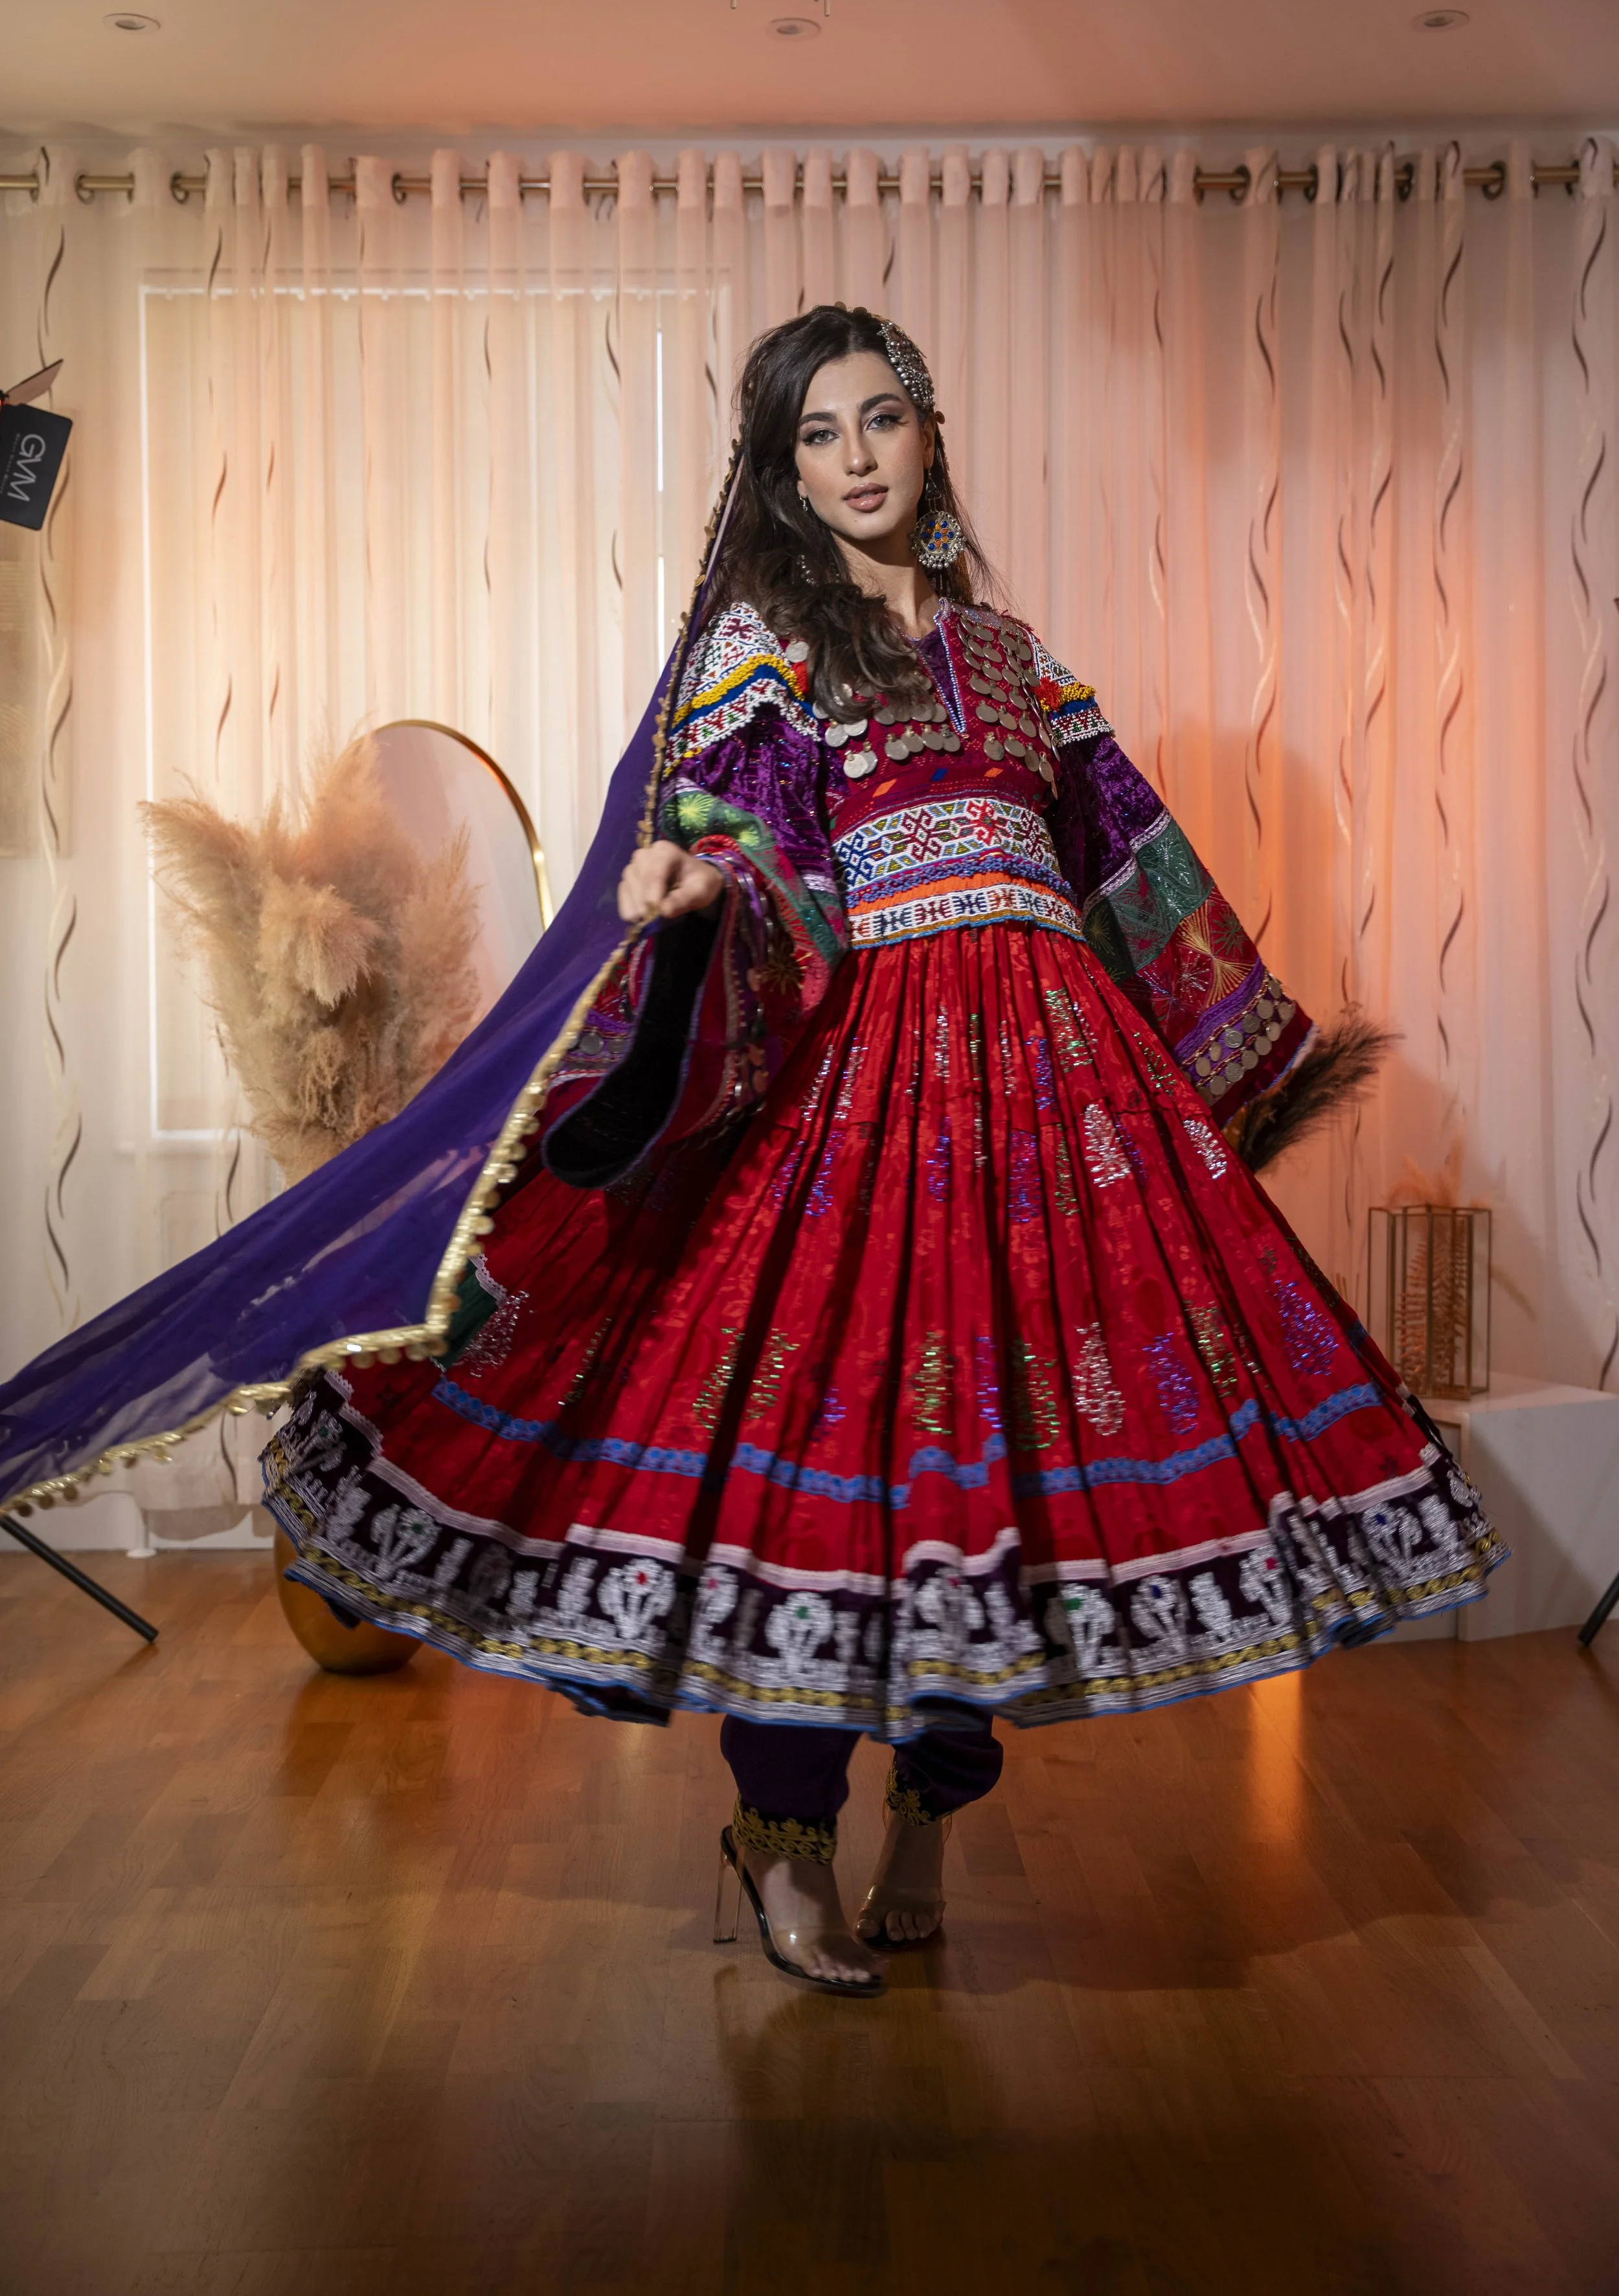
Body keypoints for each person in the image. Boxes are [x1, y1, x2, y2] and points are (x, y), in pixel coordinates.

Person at [255, 305, 1503, 1997]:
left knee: (995, 1467)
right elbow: (752, 848)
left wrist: (1223, 1054)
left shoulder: (1016, 657)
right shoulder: (765, 646)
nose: (855, 456)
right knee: (817, 1465)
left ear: (926, 433)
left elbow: (1131, 864)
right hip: (862, 1087)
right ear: (778, 473)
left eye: (880, 419)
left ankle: (930, 1803)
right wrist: (693, 888)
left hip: (1055, 1099)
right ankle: (778, 1834)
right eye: (816, 435)